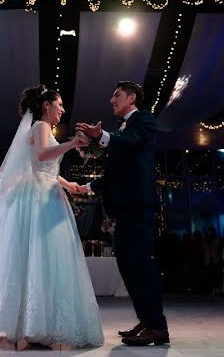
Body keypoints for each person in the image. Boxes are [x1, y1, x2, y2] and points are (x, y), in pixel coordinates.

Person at [0, 85, 103, 348]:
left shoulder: (42, 129)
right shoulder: (41, 127)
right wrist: (73, 144)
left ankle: (30, 323)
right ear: (46, 105)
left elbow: (41, 166)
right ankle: (32, 325)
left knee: (34, 258)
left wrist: (67, 184)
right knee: (39, 255)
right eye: (59, 105)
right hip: (37, 198)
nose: (62, 110)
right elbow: (43, 155)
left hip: (45, 189)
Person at [75, 80, 169, 346]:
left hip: (139, 206)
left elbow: (130, 142)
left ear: (132, 98)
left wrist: (100, 137)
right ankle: (147, 319)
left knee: (141, 264)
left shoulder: (144, 120)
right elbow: (115, 174)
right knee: (127, 265)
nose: (111, 100)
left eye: (116, 95)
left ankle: (158, 326)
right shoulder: (121, 131)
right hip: (125, 208)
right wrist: (87, 187)